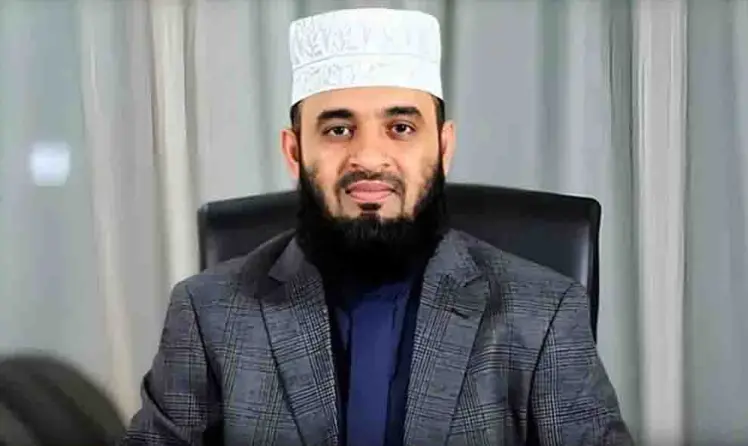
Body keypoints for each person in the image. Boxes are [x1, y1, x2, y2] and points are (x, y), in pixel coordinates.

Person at [121, 7, 633, 446]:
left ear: (444, 147)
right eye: (338, 129)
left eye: (400, 128)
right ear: (295, 152)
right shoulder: (208, 312)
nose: (368, 157)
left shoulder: (542, 313)